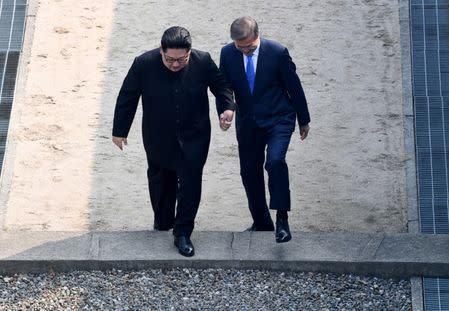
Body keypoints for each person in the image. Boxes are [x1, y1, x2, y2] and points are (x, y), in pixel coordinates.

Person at [112, 26, 235, 257]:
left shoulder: (203, 61)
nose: (175, 64)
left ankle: (183, 232)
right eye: (170, 59)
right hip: (158, 135)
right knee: (160, 181)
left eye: (181, 59)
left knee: (190, 182)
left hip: (195, 136)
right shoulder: (143, 63)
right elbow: (127, 96)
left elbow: (221, 87)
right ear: (161, 50)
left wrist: (227, 108)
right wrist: (120, 130)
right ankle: (164, 222)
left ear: (190, 52)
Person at [218, 17, 310, 243]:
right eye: (241, 47)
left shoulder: (277, 52)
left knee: (275, 162)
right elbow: (224, 86)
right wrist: (227, 109)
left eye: (249, 46)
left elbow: (293, 86)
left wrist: (303, 119)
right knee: (249, 173)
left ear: (257, 36)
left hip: (279, 118)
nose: (245, 51)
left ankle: (282, 219)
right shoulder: (228, 54)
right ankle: (262, 223)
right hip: (248, 123)